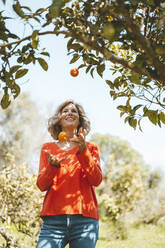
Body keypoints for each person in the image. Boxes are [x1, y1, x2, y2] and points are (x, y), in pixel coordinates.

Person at [36, 100, 102, 248]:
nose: (70, 113)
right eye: (65, 111)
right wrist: (52, 167)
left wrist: (83, 150)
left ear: (80, 120)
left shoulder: (91, 148)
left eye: (74, 111)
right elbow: (41, 185)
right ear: (59, 119)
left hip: (85, 221)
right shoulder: (48, 148)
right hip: (53, 220)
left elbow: (96, 180)